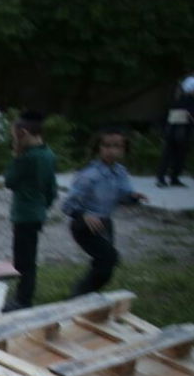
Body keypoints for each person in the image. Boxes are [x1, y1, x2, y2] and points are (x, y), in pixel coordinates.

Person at [60, 127, 147, 297]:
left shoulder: (120, 172)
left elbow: (123, 196)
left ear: (124, 149)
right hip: (85, 226)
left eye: (117, 146)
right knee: (109, 259)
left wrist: (134, 197)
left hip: (105, 223)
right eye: (106, 146)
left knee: (104, 264)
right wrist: (84, 215)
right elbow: (68, 204)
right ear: (99, 148)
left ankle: (87, 296)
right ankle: (78, 295)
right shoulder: (89, 175)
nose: (111, 151)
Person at [3, 110, 58, 310]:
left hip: (23, 214)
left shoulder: (26, 158)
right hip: (37, 213)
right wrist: (44, 206)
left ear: (23, 133)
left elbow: (9, 181)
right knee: (29, 256)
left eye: (15, 136)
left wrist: (16, 154)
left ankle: (22, 299)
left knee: (23, 260)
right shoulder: (49, 155)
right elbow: (51, 188)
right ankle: (23, 296)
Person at [157, 76, 194, 188]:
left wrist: (163, 129)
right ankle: (174, 177)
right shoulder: (192, 102)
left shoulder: (176, 99)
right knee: (180, 155)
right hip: (184, 132)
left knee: (167, 155)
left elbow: (165, 115)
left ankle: (161, 178)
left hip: (171, 130)